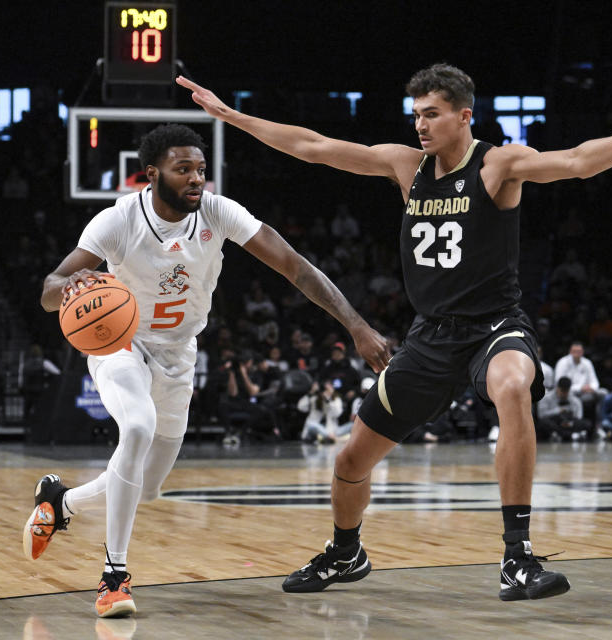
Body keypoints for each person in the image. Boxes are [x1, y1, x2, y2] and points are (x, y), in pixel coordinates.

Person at [180, 62, 612, 600]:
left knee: (513, 386)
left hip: (493, 325)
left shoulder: (498, 164)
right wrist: (230, 115)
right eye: (415, 115)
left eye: (431, 114)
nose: (420, 125)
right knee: (351, 462)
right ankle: (346, 551)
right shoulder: (406, 166)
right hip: (429, 337)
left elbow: (578, 162)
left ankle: (517, 556)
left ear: (464, 115)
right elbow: (313, 145)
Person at [23, 124, 389, 618]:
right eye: (183, 169)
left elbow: (295, 267)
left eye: (200, 169)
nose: (196, 178)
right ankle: (114, 577)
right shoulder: (117, 220)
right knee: (136, 428)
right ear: (152, 175)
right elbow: (50, 288)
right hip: (120, 344)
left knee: (146, 487)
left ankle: (60, 502)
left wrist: (356, 325)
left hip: (179, 352)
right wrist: (73, 282)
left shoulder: (218, 212)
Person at [554, 342, 605, 430]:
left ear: (582, 352)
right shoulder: (562, 363)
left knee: (603, 393)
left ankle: (599, 426)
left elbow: (595, 382)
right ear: (570, 351)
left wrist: (591, 388)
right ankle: (578, 427)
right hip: (569, 393)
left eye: (579, 351)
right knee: (576, 399)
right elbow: (560, 383)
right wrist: (580, 388)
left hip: (586, 393)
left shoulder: (587, 363)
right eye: (574, 351)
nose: (577, 353)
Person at [536, 377, 589, 441]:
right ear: (557, 388)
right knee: (543, 423)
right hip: (554, 422)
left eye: (566, 391)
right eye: (562, 391)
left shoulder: (575, 400)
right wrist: (558, 410)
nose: (564, 394)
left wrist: (569, 423)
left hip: (569, 423)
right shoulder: (546, 398)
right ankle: (572, 435)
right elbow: (541, 415)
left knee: (587, 424)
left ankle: (559, 434)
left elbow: (578, 417)